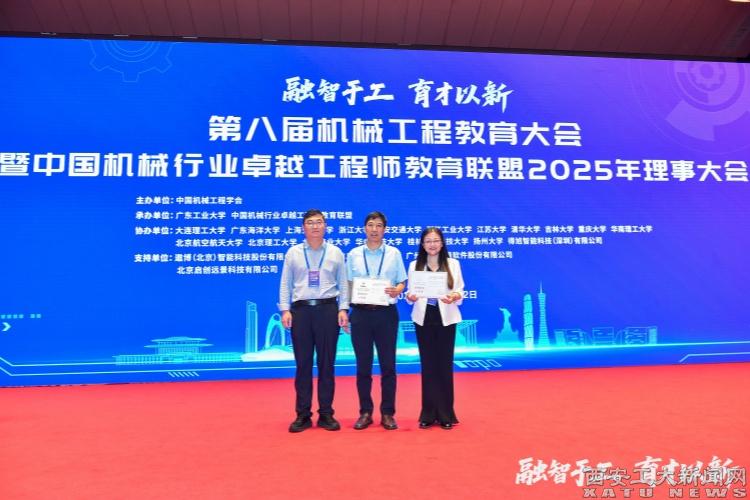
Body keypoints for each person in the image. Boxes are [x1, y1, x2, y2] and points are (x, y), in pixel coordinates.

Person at [279, 209, 350, 433]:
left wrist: (343, 308)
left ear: (325, 226)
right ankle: (302, 414)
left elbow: (343, 283)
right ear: (303, 227)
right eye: (310, 222)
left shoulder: (336, 252)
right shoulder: (293, 253)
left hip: (328, 310)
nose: (315, 226)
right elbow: (285, 283)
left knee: (327, 364)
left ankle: (326, 413)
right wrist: (285, 309)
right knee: (303, 365)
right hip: (300, 311)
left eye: (319, 222)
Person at [346, 211, 407, 430]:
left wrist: (398, 290)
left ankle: (388, 413)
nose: (374, 229)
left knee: (388, 366)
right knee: (363, 366)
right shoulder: (353, 254)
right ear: (364, 228)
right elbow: (348, 284)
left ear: (384, 229)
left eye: (379, 225)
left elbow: (402, 281)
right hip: (361, 314)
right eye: (371, 225)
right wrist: (346, 310)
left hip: (386, 314)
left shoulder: (393, 253)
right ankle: (365, 412)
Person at [405, 227, 464, 430]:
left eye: (436, 240)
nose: (432, 244)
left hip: (446, 318)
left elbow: (460, 290)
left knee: (444, 366)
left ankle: (446, 414)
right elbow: (410, 294)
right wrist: (410, 296)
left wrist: (454, 296)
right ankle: (428, 414)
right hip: (423, 319)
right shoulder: (414, 265)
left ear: (442, 243)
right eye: (428, 241)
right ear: (422, 245)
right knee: (428, 366)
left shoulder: (453, 264)